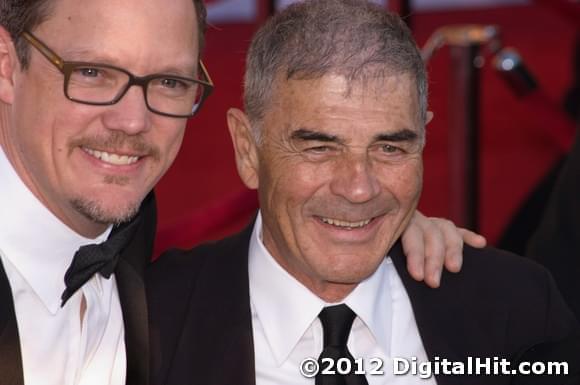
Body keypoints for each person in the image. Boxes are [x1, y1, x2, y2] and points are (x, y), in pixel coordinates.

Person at [0, 0, 482, 384]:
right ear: (6, 66)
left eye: (169, 81)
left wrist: (376, 214)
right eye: (92, 73)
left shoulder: (126, 226)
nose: (132, 122)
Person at [147, 1, 580, 384]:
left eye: (390, 147)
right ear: (247, 150)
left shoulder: (514, 306)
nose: (358, 187)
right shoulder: (149, 322)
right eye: (319, 147)